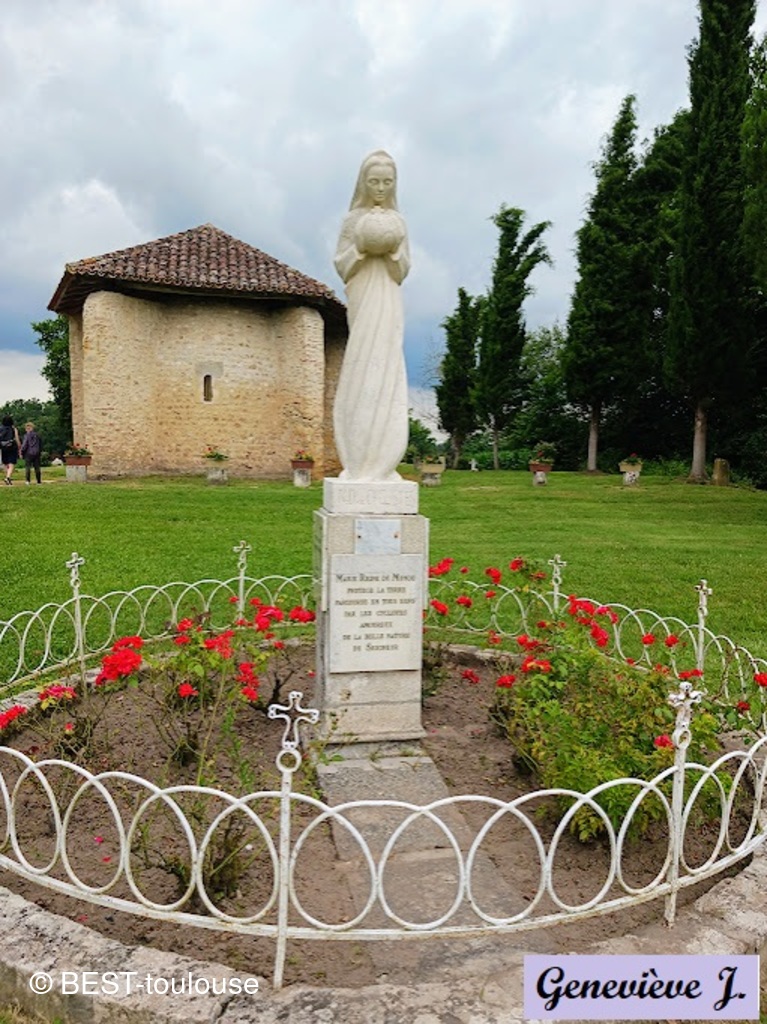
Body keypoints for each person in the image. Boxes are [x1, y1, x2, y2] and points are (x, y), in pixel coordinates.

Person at [333, 150, 411, 482]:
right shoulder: (352, 221)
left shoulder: (399, 222)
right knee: (362, 365)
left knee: (387, 364)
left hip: (388, 300)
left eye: (387, 182)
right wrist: (361, 248)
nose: (380, 188)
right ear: (363, 183)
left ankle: (384, 460)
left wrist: (392, 251)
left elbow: (402, 269)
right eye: (374, 181)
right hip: (363, 298)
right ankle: (357, 459)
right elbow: (342, 265)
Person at [0, 415, 22, 485]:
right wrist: (19, 446)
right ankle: (8, 477)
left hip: (3, 447)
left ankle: (7, 476)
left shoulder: (1, 428)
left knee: (5, 463)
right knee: (11, 463)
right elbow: (17, 438)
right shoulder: (13, 429)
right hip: (12, 447)